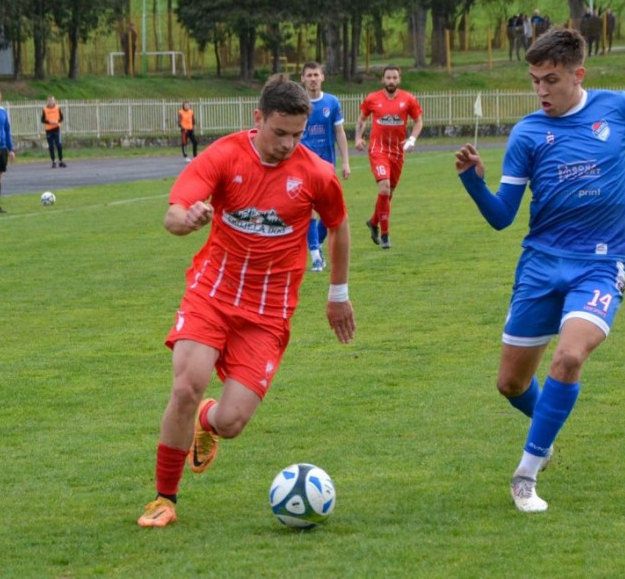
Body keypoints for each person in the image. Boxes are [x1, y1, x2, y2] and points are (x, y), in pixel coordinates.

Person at [454, 27, 625, 513]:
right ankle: (544, 432)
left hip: (601, 265)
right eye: (534, 81)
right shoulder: (527, 134)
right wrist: (473, 182)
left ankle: (525, 474)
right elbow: (502, 217)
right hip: (540, 265)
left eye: (551, 80)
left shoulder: (622, 108)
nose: (541, 91)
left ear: (578, 74)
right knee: (511, 384)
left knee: (568, 357)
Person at [137, 75, 356, 528]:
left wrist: (338, 294)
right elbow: (173, 214)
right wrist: (187, 219)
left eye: (297, 134)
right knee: (186, 386)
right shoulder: (224, 156)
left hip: (268, 312)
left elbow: (338, 225)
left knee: (232, 422)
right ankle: (163, 499)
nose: (288, 144)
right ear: (258, 118)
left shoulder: (316, 173)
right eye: (280, 133)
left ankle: (207, 421)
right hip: (212, 294)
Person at [355, 65, 423, 250]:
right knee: (384, 187)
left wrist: (412, 139)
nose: (391, 81)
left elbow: (418, 121)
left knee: (388, 194)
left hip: (398, 152)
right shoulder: (372, 99)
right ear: (382, 80)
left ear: (399, 79)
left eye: (394, 78)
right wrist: (358, 138)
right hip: (378, 150)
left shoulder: (408, 99)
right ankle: (385, 236)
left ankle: (373, 222)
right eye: (388, 78)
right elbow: (361, 119)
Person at [300, 61, 351, 272]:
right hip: (304, 165)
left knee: (334, 210)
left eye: (316, 75)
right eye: (309, 75)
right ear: (302, 78)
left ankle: (317, 244)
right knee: (310, 209)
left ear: (323, 77)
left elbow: (339, 132)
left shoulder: (332, 102)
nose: (313, 79)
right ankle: (315, 257)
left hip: (327, 165)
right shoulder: (298, 104)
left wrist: (346, 161)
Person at [41, 95, 66, 168]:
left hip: (56, 129)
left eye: (52, 100)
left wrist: (57, 121)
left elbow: (61, 118)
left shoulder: (57, 108)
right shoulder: (45, 109)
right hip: (49, 130)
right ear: (47, 102)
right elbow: (42, 120)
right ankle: (53, 161)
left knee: (59, 145)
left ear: (54, 101)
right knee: (51, 146)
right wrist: (49, 122)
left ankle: (60, 161)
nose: (51, 102)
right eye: (49, 101)